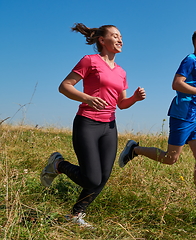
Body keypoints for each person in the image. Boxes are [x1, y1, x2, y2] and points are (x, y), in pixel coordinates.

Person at [40, 23, 146, 227]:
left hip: (109, 127)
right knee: (92, 179)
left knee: (103, 177)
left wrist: (134, 98)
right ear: (102, 40)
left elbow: (121, 104)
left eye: (121, 36)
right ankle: (58, 164)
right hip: (87, 123)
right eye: (115, 36)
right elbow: (64, 86)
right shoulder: (90, 61)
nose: (120, 39)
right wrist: (87, 98)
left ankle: (75, 215)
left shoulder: (121, 72)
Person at [119, 29, 196, 202]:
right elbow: (176, 84)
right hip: (182, 115)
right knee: (171, 159)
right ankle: (135, 149)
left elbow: (189, 89)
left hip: (195, 116)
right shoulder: (190, 60)